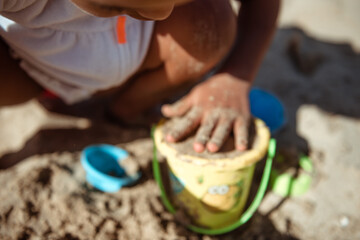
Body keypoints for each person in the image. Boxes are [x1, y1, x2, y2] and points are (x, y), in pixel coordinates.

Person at [0, 0, 279, 153]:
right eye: (114, 6)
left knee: (211, 24)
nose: (159, 13)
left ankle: (122, 111)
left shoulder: (157, 9)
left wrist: (234, 76)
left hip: (134, 58)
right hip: (30, 67)